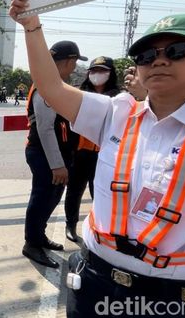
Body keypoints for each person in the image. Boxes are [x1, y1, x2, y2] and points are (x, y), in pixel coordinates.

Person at [11, 0, 185, 317]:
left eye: (176, 50)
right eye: (145, 55)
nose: (158, 60)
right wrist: (31, 26)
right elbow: (52, 88)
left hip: (173, 297)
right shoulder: (116, 113)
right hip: (95, 280)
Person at [22, 40, 84, 268]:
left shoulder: (55, 84)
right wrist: (57, 164)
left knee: (52, 196)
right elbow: (45, 128)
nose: (74, 67)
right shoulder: (46, 86)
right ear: (67, 61)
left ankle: (39, 236)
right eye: (74, 62)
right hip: (45, 154)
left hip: (56, 154)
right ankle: (32, 243)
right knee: (42, 198)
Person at [63, 56, 122, 243]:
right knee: (74, 192)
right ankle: (70, 225)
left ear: (111, 74)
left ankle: (101, 228)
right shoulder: (80, 94)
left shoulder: (119, 98)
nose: (98, 75)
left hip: (106, 154)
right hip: (80, 153)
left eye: (103, 71)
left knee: (102, 193)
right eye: (94, 71)